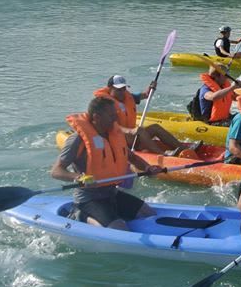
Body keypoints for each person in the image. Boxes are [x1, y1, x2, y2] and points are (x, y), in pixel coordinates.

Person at [51, 97, 163, 231]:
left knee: (149, 214)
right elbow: (56, 171)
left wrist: (147, 168)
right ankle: (79, 214)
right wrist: (78, 177)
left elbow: (131, 157)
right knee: (119, 229)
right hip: (88, 199)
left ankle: (110, 214)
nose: (115, 118)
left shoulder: (113, 134)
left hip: (111, 193)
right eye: (111, 115)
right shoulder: (77, 139)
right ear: (96, 117)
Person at [94, 75, 194, 154]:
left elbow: (144, 95)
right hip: (117, 138)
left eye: (124, 89)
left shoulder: (127, 96)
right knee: (140, 131)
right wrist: (130, 131)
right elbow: (111, 126)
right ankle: (163, 154)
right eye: (118, 90)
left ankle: (182, 148)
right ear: (110, 88)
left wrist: (150, 89)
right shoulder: (103, 103)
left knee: (155, 127)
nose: (122, 92)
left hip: (131, 137)